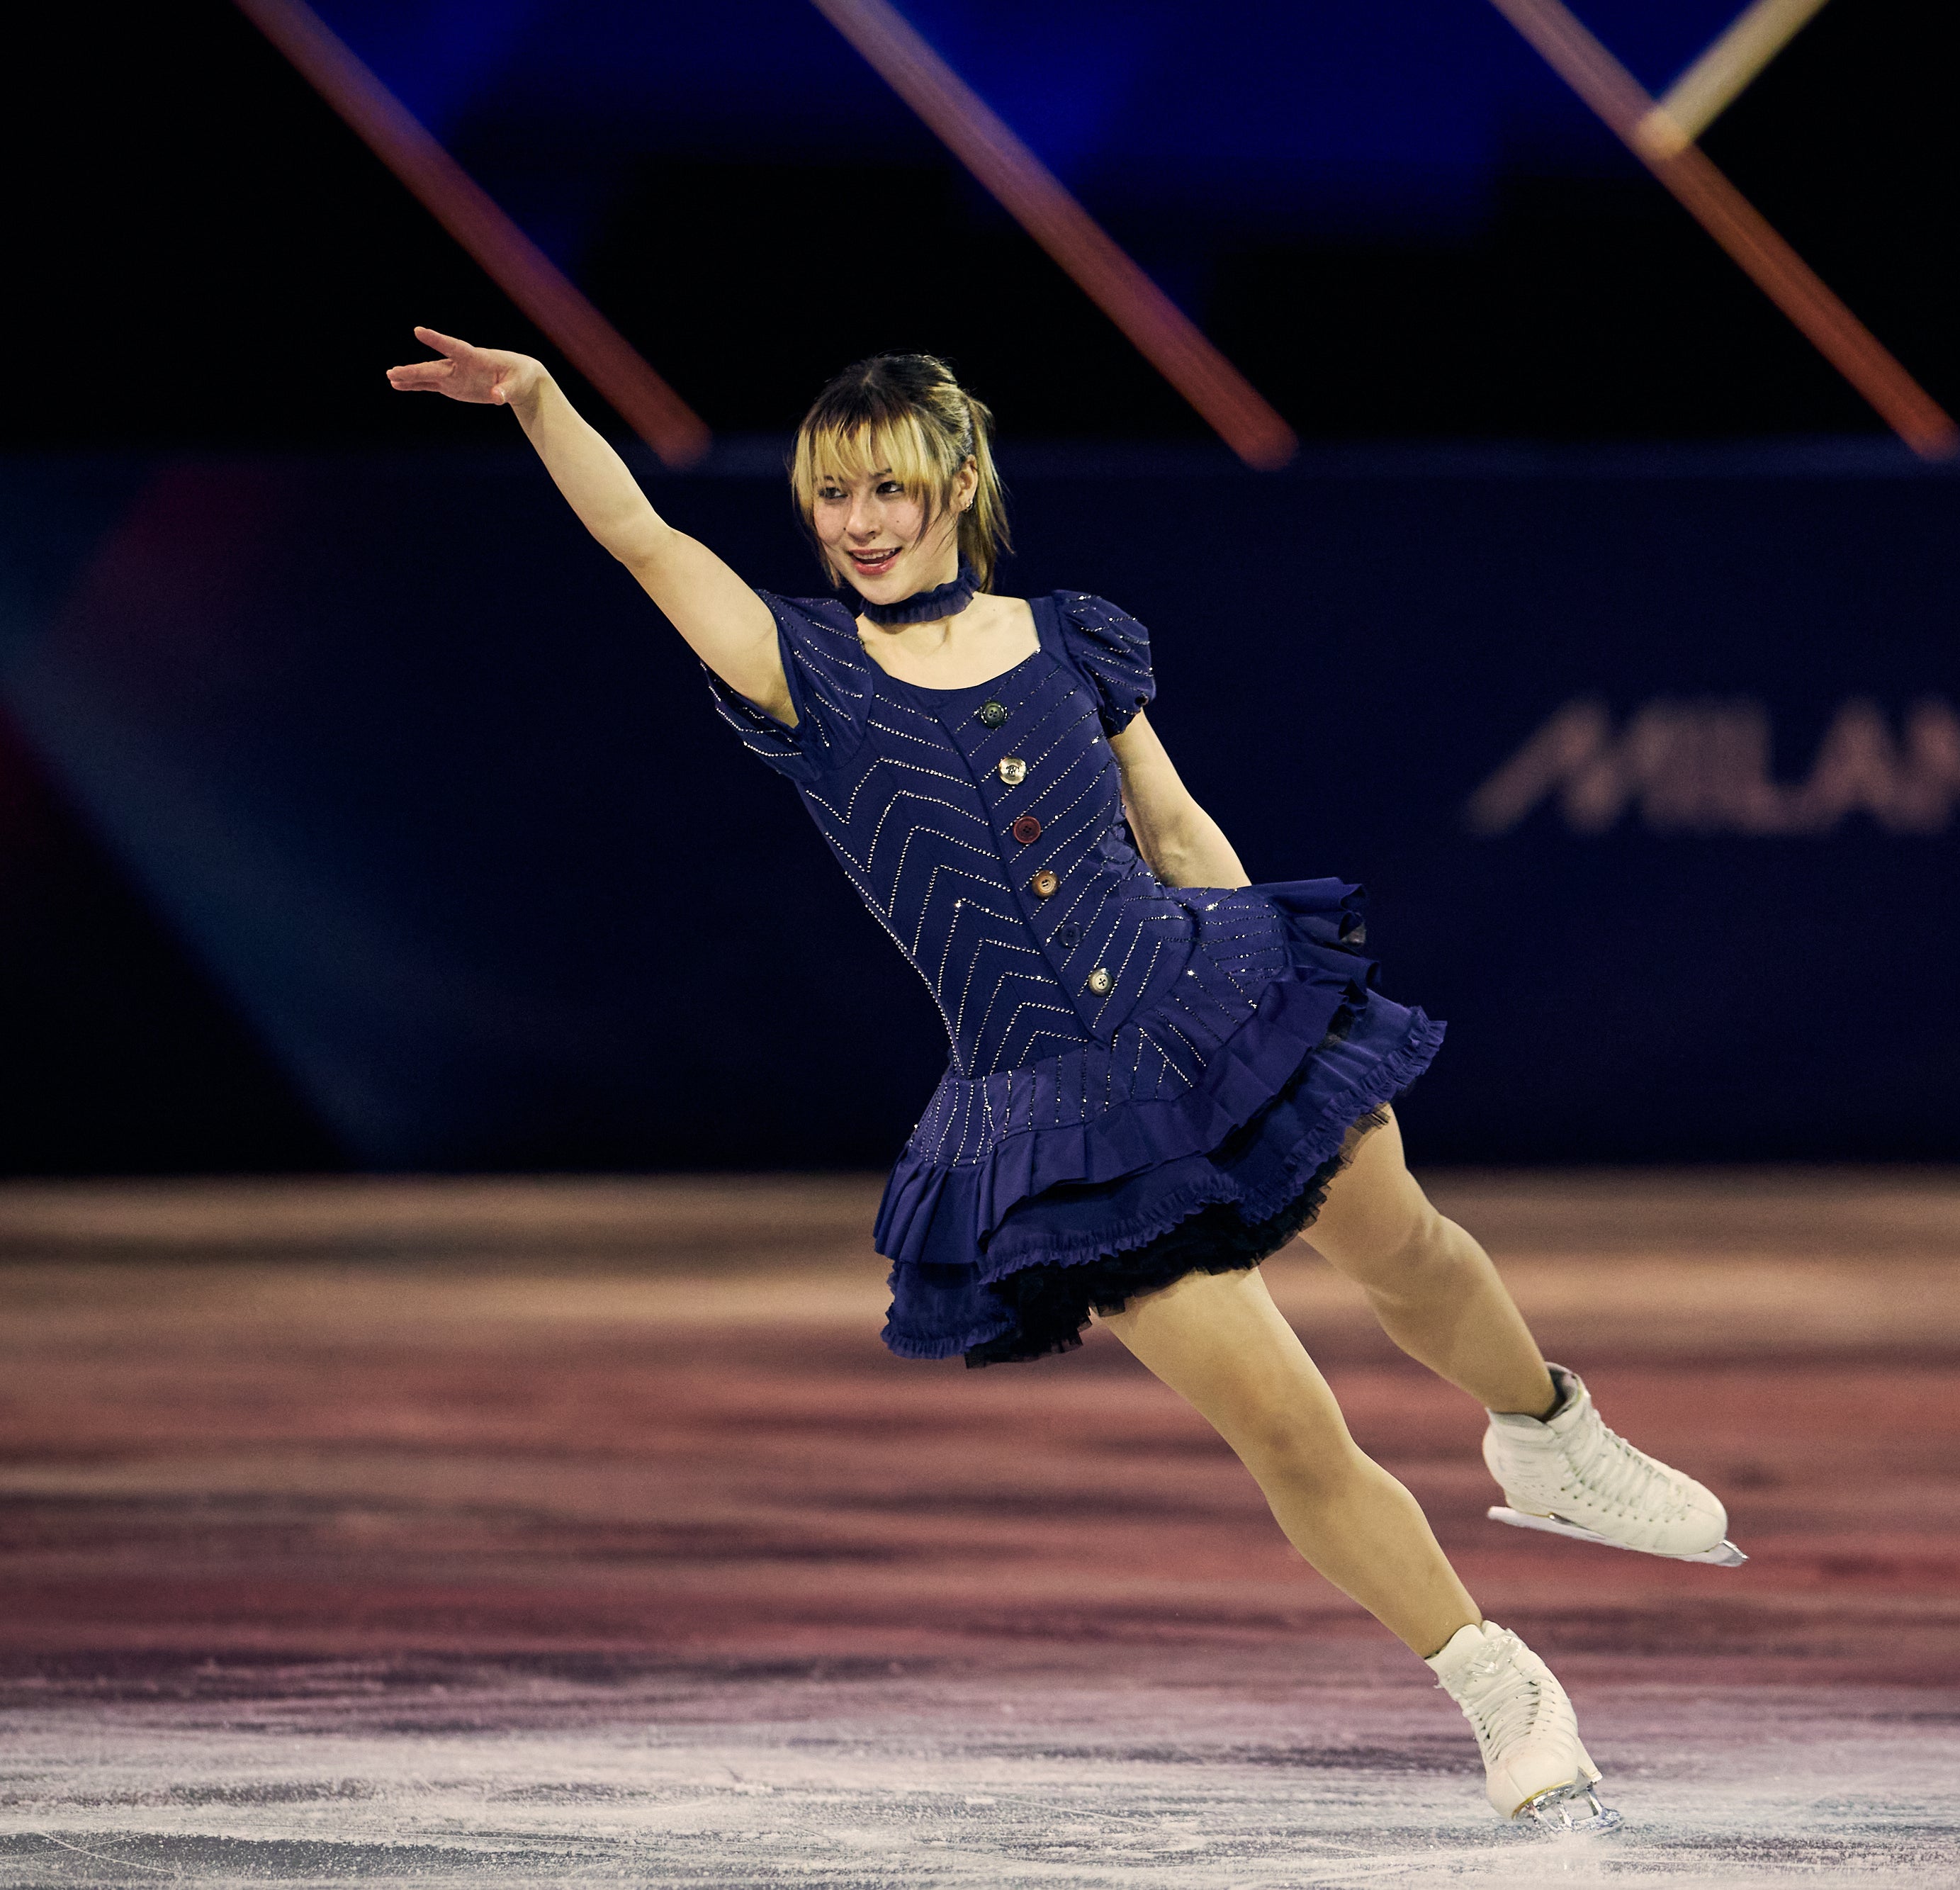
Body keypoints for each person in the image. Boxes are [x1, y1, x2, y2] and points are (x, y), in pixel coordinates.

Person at [387, 330, 1742, 1828]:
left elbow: (1174, 827)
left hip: (1202, 1001)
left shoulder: (1070, 638)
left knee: (1404, 1243)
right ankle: (1499, 1687)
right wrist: (539, 400)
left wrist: (1276, 1006)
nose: (858, 522)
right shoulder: (802, 667)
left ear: (960, 479)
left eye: (888, 486)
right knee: (1286, 1425)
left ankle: (1551, 1437)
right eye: (830, 493)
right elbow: (643, 537)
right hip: (1056, 1119)